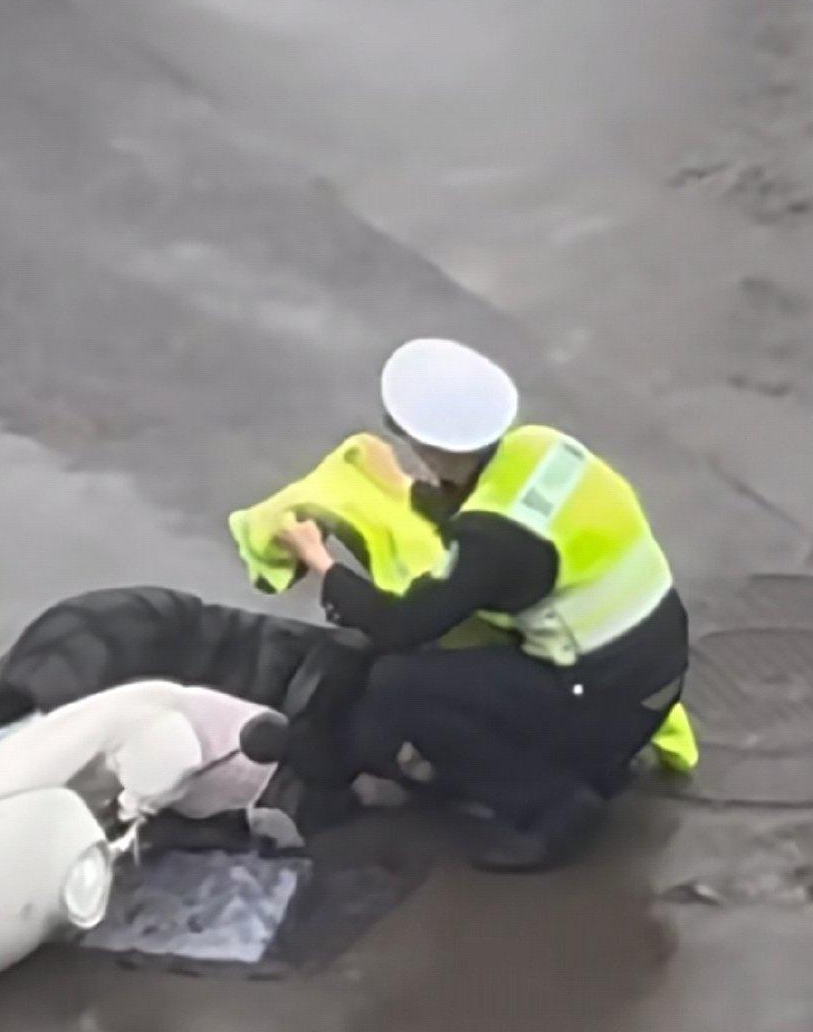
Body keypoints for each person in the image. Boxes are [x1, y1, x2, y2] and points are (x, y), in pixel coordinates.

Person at [277, 338, 689, 872]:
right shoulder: (543, 449)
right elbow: (507, 517)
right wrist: (406, 491)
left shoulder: (493, 540)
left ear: (432, 444)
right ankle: (589, 762)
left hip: (607, 697)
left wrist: (319, 562)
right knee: (464, 673)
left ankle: (552, 808)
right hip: (655, 663)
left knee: (401, 684)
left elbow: (402, 624)